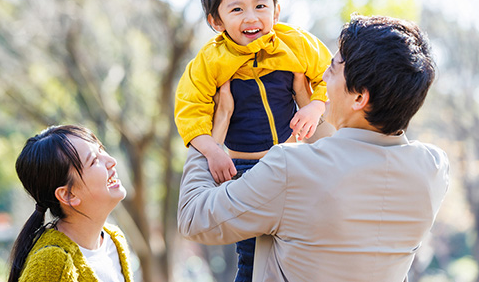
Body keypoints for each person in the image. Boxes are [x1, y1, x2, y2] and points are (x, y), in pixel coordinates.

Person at [177, 15, 450, 282]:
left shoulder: (289, 168)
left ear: (359, 97)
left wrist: (211, 133)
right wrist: (313, 109)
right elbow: (344, 173)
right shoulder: (433, 170)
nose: (322, 76)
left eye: (332, 68)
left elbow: (194, 218)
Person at [174, 0, 333, 281]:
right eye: (236, 10)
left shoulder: (297, 44)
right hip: (244, 167)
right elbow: (190, 114)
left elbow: (331, 78)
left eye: (260, 5)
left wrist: (315, 106)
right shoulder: (210, 61)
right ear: (215, 21)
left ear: (276, 9)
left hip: (295, 157)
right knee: (251, 252)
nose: (251, 18)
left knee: (303, 239)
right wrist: (214, 151)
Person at [7, 125, 133, 282]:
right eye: (94, 160)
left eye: (101, 150)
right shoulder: (51, 262)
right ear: (68, 194)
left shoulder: (114, 240)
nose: (111, 161)